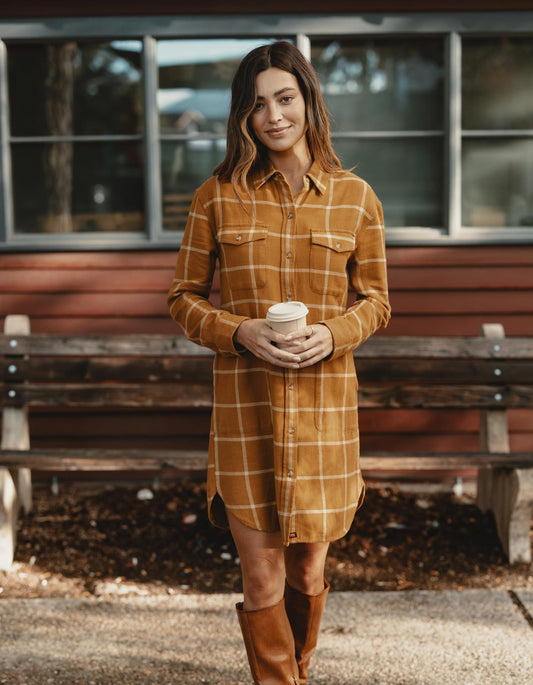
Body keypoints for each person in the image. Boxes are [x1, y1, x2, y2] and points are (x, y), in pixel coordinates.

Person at [167, 40, 391, 685]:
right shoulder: (216, 196)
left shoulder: (356, 198)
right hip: (246, 414)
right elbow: (182, 299)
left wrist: (334, 332)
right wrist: (238, 332)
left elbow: (376, 301)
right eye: (257, 103)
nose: (273, 115)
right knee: (259, 572)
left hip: (324, 418)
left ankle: (299, 669)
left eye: (285, 98)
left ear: (308, 102)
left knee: (307, 572)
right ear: (244, 115)